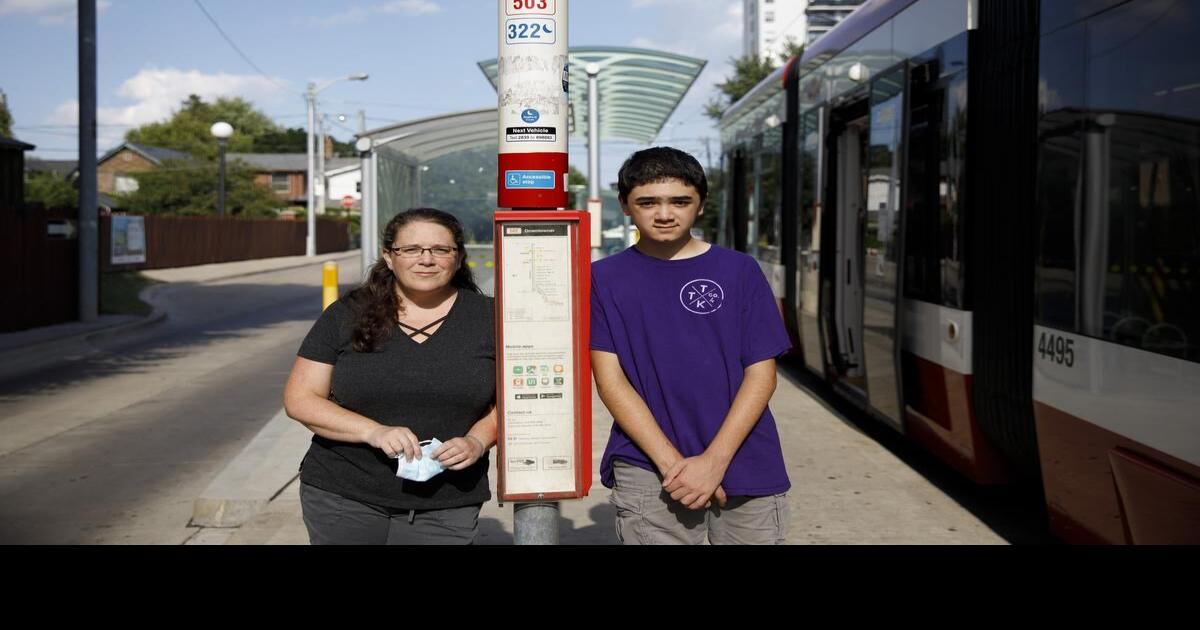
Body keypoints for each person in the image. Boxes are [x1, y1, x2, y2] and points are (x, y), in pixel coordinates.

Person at [590, 147, 792, 545]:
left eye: (680, 201)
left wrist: (713, 463)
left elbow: (762, 376)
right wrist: (674, 466)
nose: (664, 214)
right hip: (647, 461)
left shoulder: (739, 271)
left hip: (745, 455)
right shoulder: (602, 278)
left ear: (701, 205)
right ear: (625, 206)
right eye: (647, 202)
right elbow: (611, 382)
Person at [283, 208, 496, 545]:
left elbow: (514, 401)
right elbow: (301, 399)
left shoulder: (490, 318)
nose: (426, 259)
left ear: (458, 258)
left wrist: (478, 440)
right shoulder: (347, 313)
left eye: (441, 250)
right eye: (410, 249)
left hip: (447, 500)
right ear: (389, 256)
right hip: (345, 494)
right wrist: (374, 432)